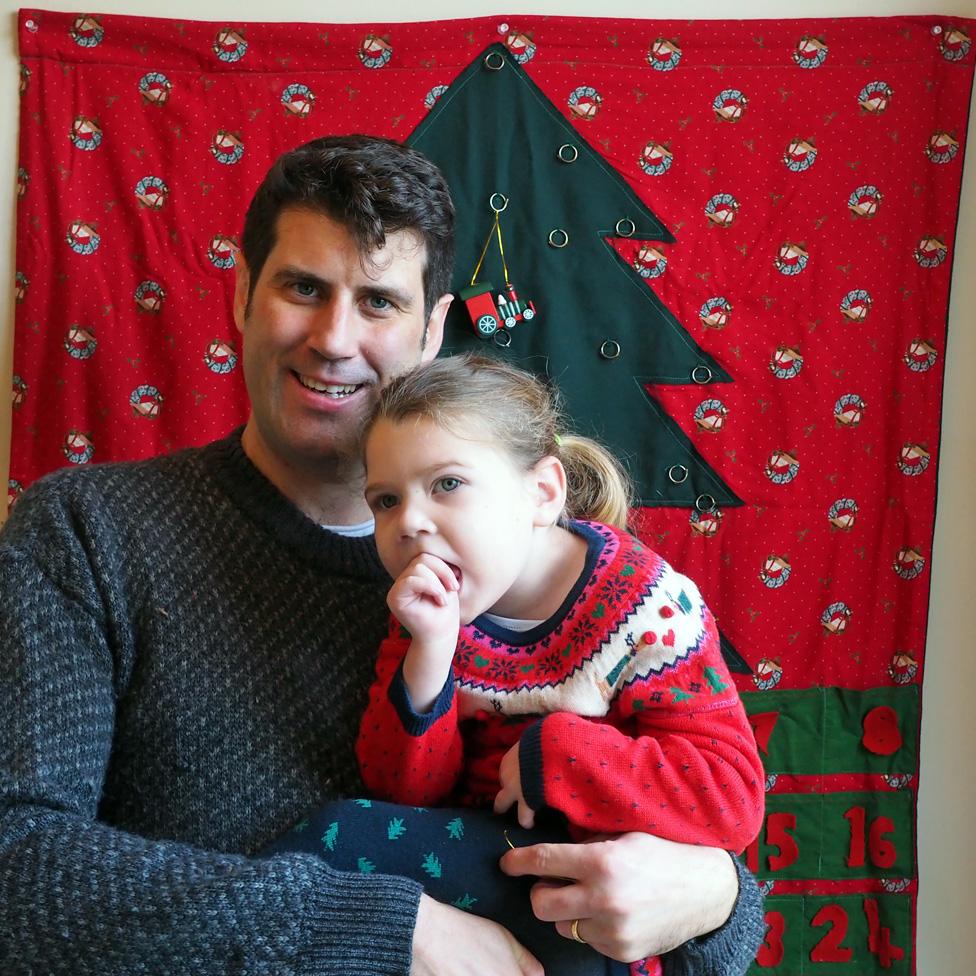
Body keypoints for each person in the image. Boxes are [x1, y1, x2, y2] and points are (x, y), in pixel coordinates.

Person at [0, 135, 765, 975]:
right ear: (243, 294)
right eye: (302, 288)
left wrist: (716, 898)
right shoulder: (85, 533)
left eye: (379, 302)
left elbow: (708, 867)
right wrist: (394, 930)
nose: (334, 338)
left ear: (433, 329)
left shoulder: (526, 574)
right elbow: (17, 870)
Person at [267, 355, 764, 975]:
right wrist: (429, 657)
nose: (411, 523)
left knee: (330, 842)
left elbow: (732, 799)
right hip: (479, 881)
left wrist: (555, 755)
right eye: (386, 500)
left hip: (595, 906)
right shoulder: (428, 610)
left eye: (447, 484)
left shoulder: (649, 608)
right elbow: (406, 796)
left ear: (542, 492)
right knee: (331, 849)